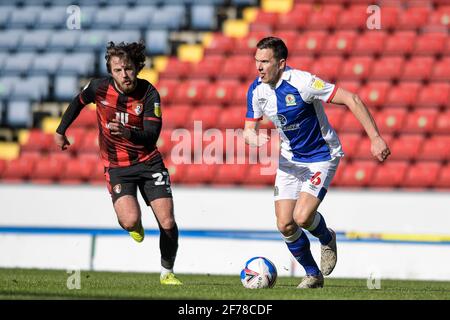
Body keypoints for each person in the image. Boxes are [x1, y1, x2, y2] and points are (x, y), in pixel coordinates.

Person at [243, 37, 390, 288]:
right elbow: (248, 129)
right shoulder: (256, 90)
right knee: (285, 224)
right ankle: (313, 275)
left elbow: (352, 99)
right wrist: (252, 138)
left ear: (281, 63)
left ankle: (326, 237)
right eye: (256, 61)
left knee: (301, 217)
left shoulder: (303, 82)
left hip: (321, 157)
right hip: (289, 161)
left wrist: (375, 138)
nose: (259, 67)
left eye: (265, 62)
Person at [54, 41, 182, 285]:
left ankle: (167, 272)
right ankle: (135, 225)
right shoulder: (98, 88)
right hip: (117, 167)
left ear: (137, 67)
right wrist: (61, 131)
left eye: (129, 69)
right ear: (110, 72)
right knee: (129, 220)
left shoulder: (148, 93)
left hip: (149, 163)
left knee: (167, 221)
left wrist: (127, 132)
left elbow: (151, 136)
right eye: (118, 70)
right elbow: (77, 102)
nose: (125, 75)